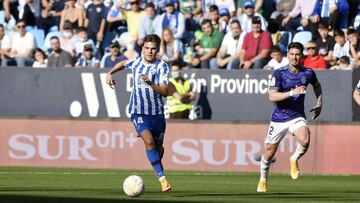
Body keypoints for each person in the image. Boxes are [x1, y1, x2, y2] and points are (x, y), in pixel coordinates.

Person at [106, 34, 171, 192]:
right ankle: (162, 179)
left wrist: (151, 83)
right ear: (142, 49)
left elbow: (164, 92)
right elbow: (123, 63)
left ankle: (157, 166)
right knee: (148, 141)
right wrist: (110, 73)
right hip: (138, 112)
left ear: (157, 50)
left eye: (153, 49)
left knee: (158, 148)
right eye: (147, 48)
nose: (149, 51)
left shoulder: (161, 67)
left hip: (157, 114)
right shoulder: (136, 63)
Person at [256, 42, 322, 193]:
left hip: (297, 116)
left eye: (297, 54)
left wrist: (319, 103)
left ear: (302, 56)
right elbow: (272, 96)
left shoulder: (308, 73)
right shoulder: (279, 73)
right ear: (287, 55)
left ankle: (294, 159)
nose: (294, 57)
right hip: (279, 117)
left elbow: (317, 86)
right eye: (292, 54)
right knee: (269, 152)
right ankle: (263, 179)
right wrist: (292, 92)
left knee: (305, 139)